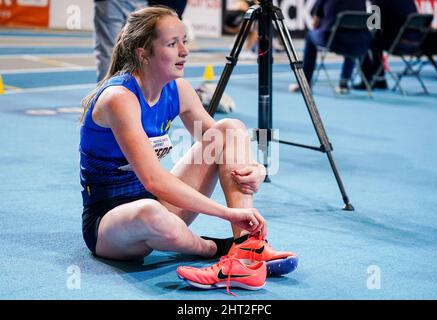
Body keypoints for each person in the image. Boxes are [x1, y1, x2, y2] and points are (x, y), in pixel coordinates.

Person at [79, 6, 297, 283]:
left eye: (185, 41)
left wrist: (258, 169)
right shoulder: (119, 98)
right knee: (152, 214)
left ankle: (246, 246)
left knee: (230, 128)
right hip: (111, 225)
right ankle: (216, 249)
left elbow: (224, 140)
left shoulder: (178, 90)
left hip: (157, 206)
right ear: (142, 53)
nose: (185, 51)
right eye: (173, 44)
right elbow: (154, 181)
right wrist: (228, 213)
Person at [289, 0, 370, 94]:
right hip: (359, 42)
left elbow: (315, 24)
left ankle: (305, 82)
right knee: (351, 35)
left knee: (310, 36)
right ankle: (344, 83)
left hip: (334, 41)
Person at [354, 0, 418, 90]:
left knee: (361, 41)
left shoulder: (377, 2)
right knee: (375, 42)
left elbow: (374, 28)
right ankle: (380, 79)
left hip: (399, 43)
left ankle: (367, 80)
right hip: (416, 43)